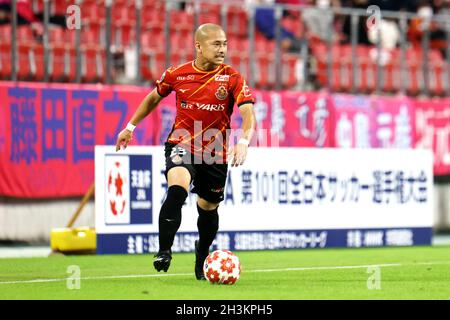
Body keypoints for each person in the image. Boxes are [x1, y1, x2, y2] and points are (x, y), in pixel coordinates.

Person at [115, 23, 256, 280]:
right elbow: (153, 98)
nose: (222, 49)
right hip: (181, 143)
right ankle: (164, 250)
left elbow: (248, 113)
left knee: (208, 207)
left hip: (215, 151)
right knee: (177, 188)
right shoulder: (177, 74)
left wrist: (243, 141)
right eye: (216, 44)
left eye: (224, 44)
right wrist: (130, 127)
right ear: (199, 46)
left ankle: (202, 255)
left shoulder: (233, 78)